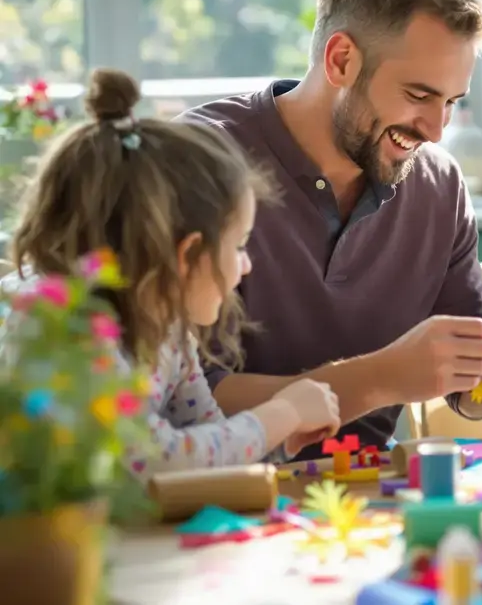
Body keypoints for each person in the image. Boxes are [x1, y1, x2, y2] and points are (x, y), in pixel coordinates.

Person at [176, 0, 482, 458]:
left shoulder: (440, 186)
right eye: (419, 95)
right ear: (341, 59)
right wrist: (381, 377)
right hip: (221, 492)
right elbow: (182, 405)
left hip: (370, 491)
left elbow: (469, 399)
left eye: (452, 101)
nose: (436, 130)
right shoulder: (196, 162)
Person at [4, 69, 341, 481]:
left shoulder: (168, 333)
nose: (247, 264)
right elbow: (153, 461)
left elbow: (205, 445)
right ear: (188, 253)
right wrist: (282, 413)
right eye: (239, 245)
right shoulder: (71, 332)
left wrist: (281, 438)